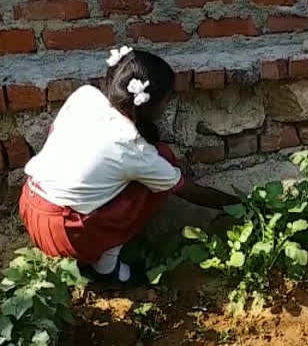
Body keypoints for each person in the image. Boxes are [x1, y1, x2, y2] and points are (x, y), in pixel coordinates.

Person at [19, 46, 238, 286]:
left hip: (31, 206)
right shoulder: (134, 150)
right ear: (151, 104)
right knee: (159, 179)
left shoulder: (86, 96)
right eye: (167, 100)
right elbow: (186, 188)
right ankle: (106, 268)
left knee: (154, 165)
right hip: (64, 231)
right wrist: (238, 204)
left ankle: (91, 249)